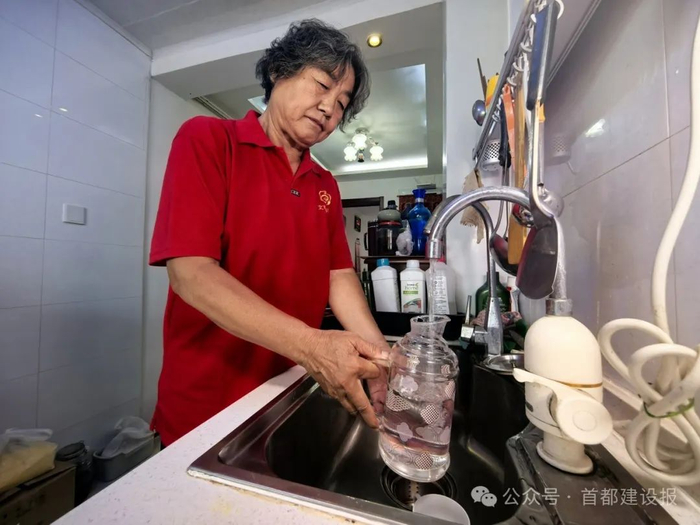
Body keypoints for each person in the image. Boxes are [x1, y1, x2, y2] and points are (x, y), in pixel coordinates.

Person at [149, 19, 389, 446]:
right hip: (205, 406)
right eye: (322, 85)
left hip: (286, 394)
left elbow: (338, 275)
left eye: (341, 102)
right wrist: (313, 346)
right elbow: (191, 274)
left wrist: (382, 356)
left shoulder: (325, 184)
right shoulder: (208, 139)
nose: (329, 109)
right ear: (279, 71)